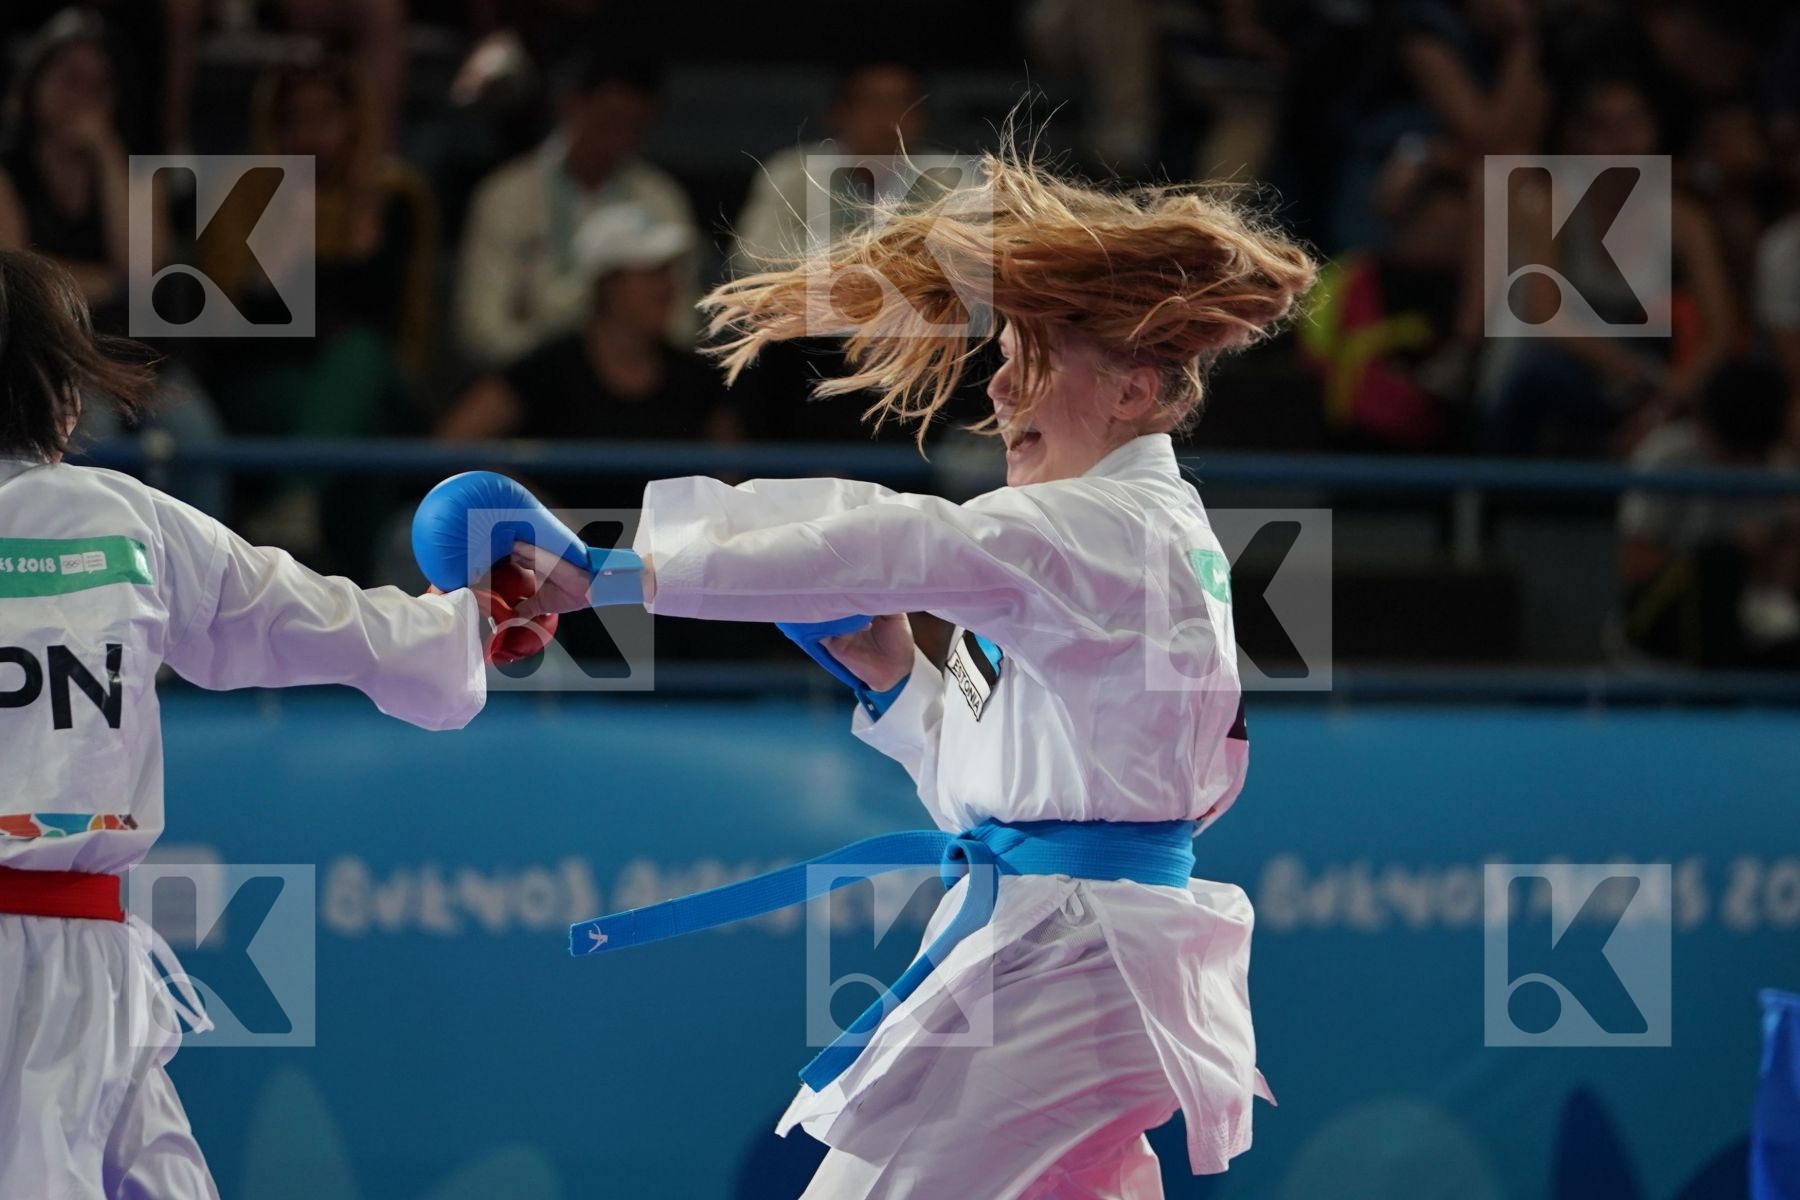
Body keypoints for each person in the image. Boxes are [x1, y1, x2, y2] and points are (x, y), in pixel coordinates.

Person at [416, 143, 1315, 1197]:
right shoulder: (1100, 542)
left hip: (1073, 961)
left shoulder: (1102, 530)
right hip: (1077, 947)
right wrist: (896, 683)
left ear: (1136, 388)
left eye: (1034, 358)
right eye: (1004, 353)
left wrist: (614, 572)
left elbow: (895, 538)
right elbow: (1011, 786)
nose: (998, 383)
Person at [0, 248, 530, 1199]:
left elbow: (287, 613)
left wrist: (469, 627)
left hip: (92, 962)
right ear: (51, 382)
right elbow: (300, 618)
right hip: (62, 965)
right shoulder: (117, 518)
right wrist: (474, 623)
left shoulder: (120, 518)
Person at [454, 49, 698, 368]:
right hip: (529, 374)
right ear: (570, 104)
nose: (618, 139)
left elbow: (679, 323)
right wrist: (563, 369)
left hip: (633, 375)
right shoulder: (506, 195)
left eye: (633, 125)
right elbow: (483, 326)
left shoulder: (662, 199)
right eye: (608, 120)